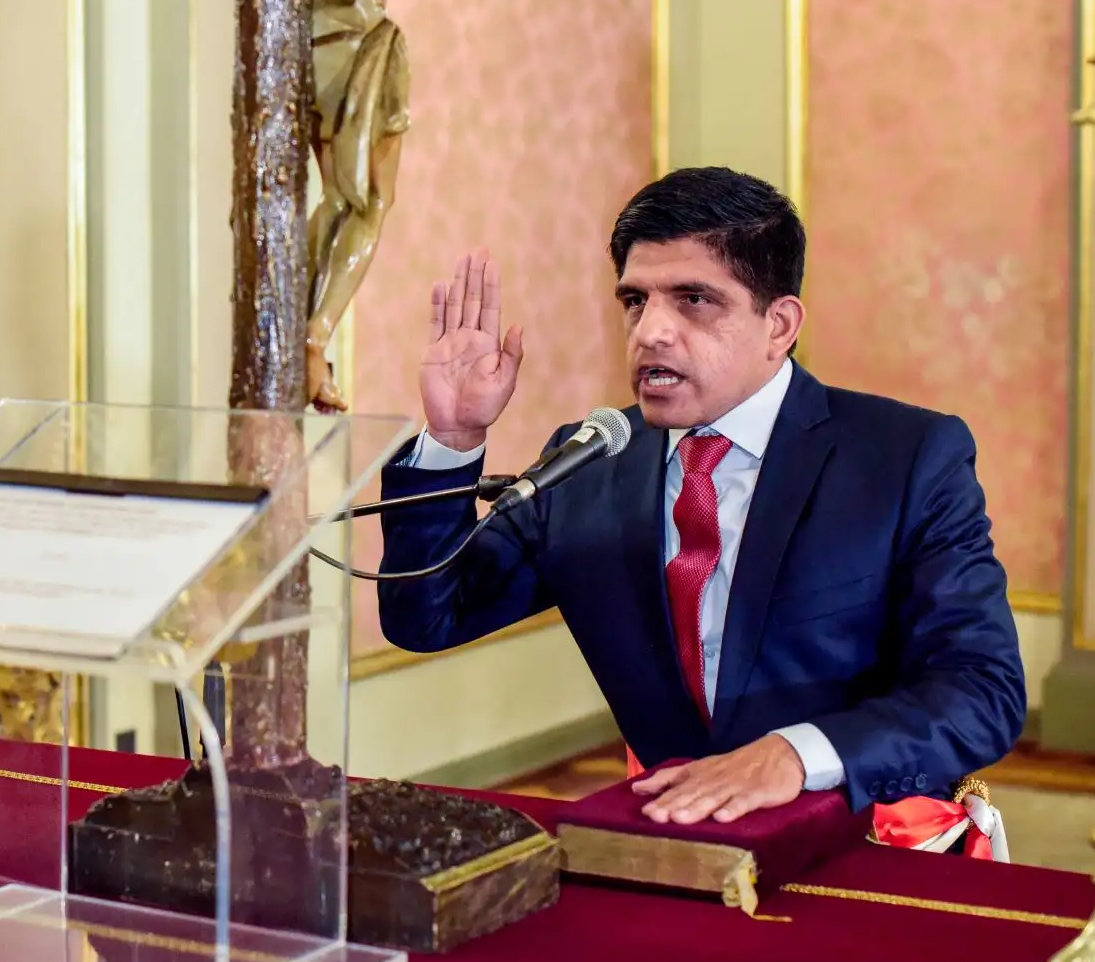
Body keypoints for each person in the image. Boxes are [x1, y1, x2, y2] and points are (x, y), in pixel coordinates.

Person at [376, 167, 1026, 830]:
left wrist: (794, 756)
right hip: (670, 843)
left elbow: (982, 692)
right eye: (635, 301)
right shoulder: (588, 461)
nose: (650, 331)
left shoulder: (905, 457)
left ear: (779, 324)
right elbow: (427, 614)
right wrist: (454, 438)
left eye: (692, 299)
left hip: (862, 839)